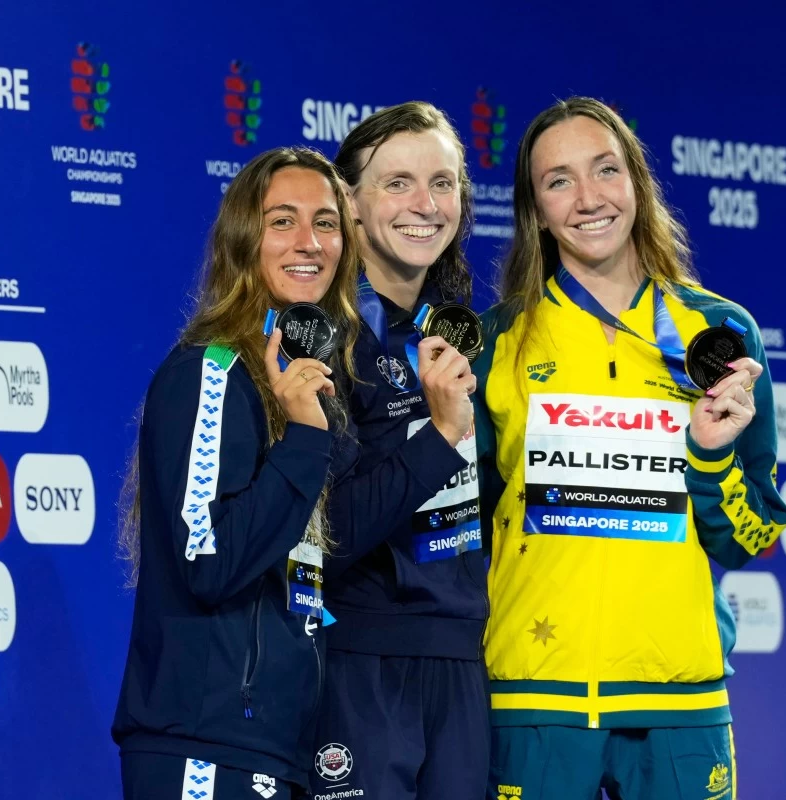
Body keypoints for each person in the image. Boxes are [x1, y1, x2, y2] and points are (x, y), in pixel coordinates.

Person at [473, 97, 786, 800]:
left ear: (638, 184)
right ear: (535, 210)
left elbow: (752, 536)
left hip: (680, 703)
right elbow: (459, 531)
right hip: (538, 701)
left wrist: (708, 456)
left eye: (605, 170)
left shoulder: (719, 332)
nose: (588, 199)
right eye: (559, 181)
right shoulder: (500, 339)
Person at [111, 146, 362, 800]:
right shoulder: (210, 372)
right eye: (283, 221)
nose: (309, 241)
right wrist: (306, 438)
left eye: (326, 222)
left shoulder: (312, 388)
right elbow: (208, 559)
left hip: (277, 751)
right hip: (206, 751)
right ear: (244, 241)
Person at [308, 101, 489, 800]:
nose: (426, 205)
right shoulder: (317, 340)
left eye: (443, 184)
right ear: (348, 203)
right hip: (361, 659)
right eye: (398, 183)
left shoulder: (469, 335)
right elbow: (329, 532)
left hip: (464, 664)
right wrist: (440, 437)